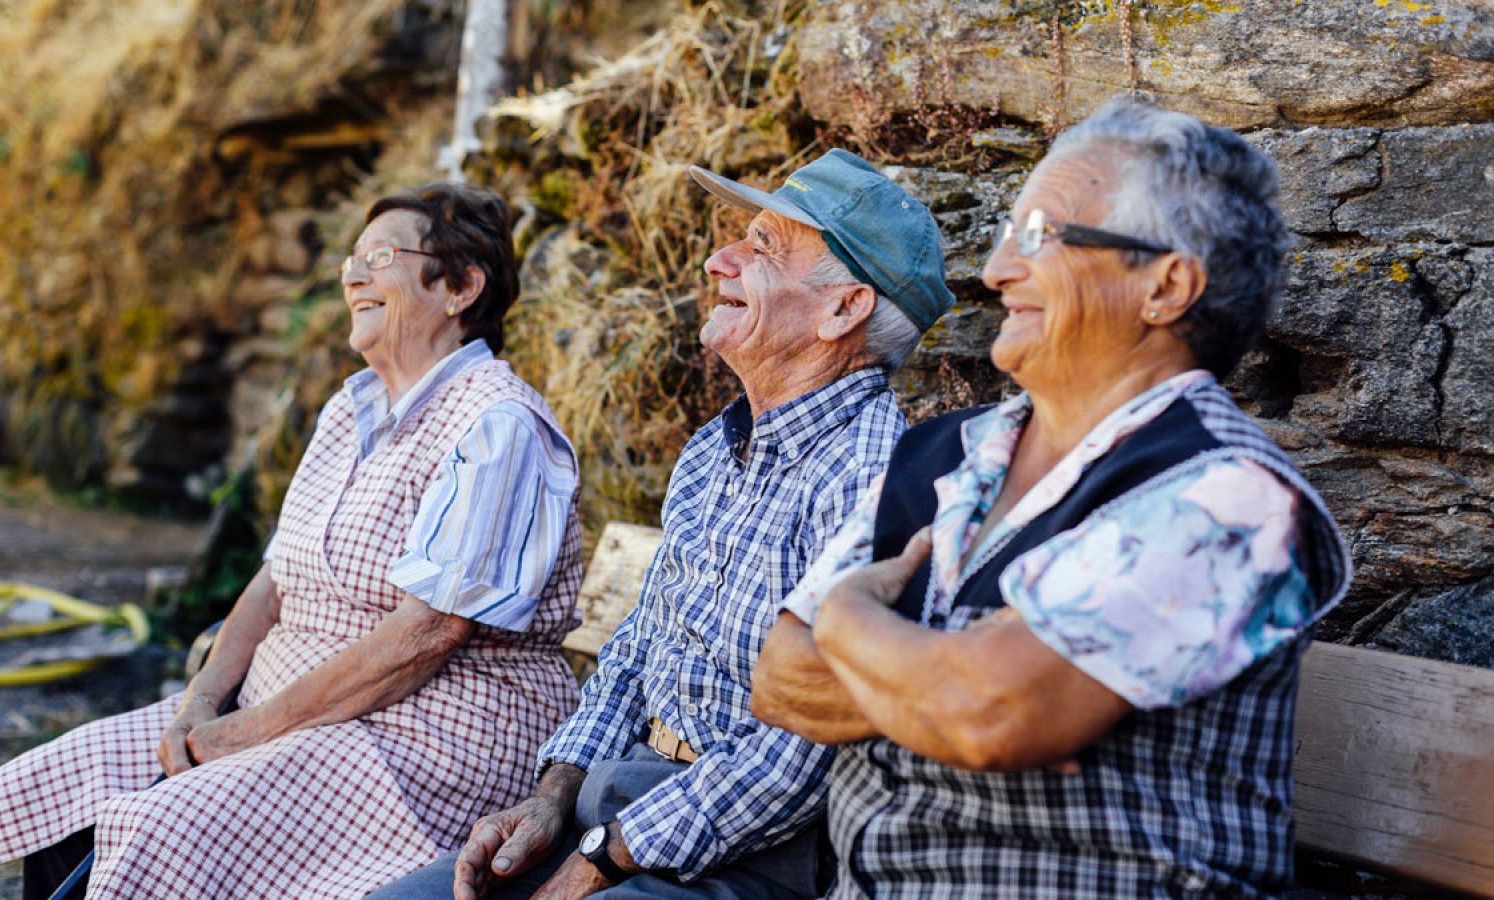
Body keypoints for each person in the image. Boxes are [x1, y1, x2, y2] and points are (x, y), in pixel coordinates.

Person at [752, 98, 1352, 897]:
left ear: (1166, 286)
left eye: (1038, 237)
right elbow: (781, 680)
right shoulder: (944, 453)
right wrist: (954, 682)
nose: (997, 270)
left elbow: (993, 715)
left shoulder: (1231, 495)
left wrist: (848, 618)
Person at [0, 185, 587, 899]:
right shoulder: (350, 408)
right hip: (302, 712)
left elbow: (431, 631)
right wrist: (202, 698)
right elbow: (275, 578)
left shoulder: (498, 425)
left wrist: (252, 729)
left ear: (461, 287)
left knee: (157, 827)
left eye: (380, 257)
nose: (353, 275)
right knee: (73, 780)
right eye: (352, 259)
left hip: (426, 742)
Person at [373, 149, 952, 899]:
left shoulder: (875, 475)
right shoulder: (719, 444)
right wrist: (554, 797)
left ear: (844, 309)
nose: (721, 259)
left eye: (764, 247)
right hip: (622, 803)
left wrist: (606, 857)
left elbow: (804, 749)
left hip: (755, 856)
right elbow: (641, 644)